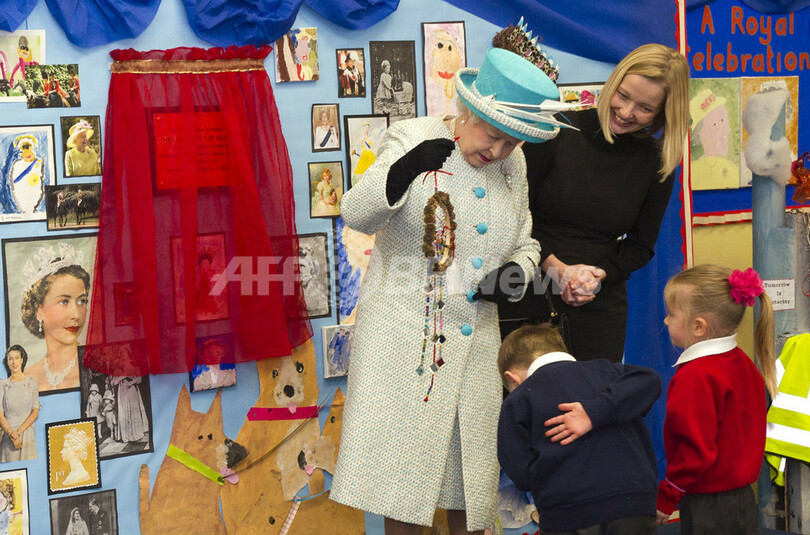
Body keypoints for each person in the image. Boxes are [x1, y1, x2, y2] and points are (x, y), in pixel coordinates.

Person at [332, 47, 571, 534]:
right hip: (404, 348)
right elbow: (356, 212)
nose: (499, 151)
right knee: (403, 496)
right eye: (493, 137)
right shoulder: (413, 135)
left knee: (472, 499)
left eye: (512, 143)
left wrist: (516, 276)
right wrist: (399, 174)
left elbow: (526, 240)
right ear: (468, 112)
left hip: (474, 351)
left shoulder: (514, 165)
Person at [499, 42, 690, 362]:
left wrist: (598, 276)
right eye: (624, 96)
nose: (627, 113)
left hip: (597, 304)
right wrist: (554, 267)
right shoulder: (558, 128)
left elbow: (640, 247)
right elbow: (516, 212)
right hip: (529, 287)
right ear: (613, 83)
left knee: (591, 406)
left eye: (645, 108)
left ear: (663, 113)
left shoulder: (657, 162)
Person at [497, 323, 661, 534]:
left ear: (513, 378)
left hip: (567, 515)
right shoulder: (609, 370)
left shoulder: (518, 399)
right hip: (633, 505)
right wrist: (601, 408)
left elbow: (519, 472)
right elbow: (651, 380)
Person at [656, 264, 777, 533]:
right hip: (742, 499)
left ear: (698, 327)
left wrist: (666, 498)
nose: (665, 321)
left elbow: (695, 451)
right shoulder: (741, 362)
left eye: (671, 314)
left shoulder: (695, 376)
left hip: (708, 506)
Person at [20, 244, 90, 392]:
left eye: (81, 301)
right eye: (64, 301)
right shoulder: (26, 377)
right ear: (38, 311)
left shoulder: (95, 372)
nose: (76, 315)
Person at [0, 345, 40, 462]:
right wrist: (12, 434)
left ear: (22, 360)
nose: (14, 362)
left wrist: (18, 433)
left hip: (27, 435)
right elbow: (0, 414)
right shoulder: (2, 384)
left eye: (17, 358)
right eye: (10, 359)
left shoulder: (32, 382)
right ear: (7, 362)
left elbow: (35, 412)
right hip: (9, 436)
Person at [7, 134, 45, 215]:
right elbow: (15, 186)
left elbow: (43, 182)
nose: (26, 151)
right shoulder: (17, 164)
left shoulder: (39, 162)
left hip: (36, 197)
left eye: (28, 147)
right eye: (23, 148)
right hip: (21, 199)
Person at [111, 375, 148, 443]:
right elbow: (114, 382)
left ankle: (136, 435)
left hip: (132, 390)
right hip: (122, 391)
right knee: (124, 411)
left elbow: (139, 379)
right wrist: (122, 377)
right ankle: (125, 436)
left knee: (134, 411)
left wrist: (132, 382)